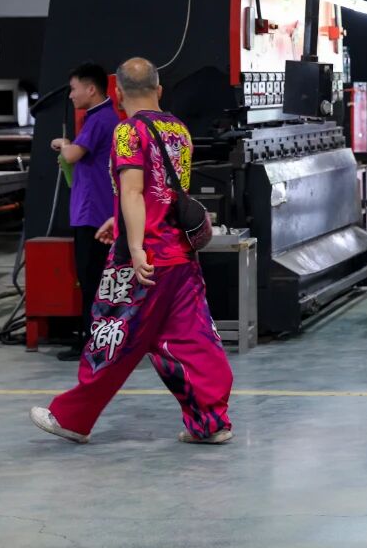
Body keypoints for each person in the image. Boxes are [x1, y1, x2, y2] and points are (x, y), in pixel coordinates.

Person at [30, 57, 234, 445]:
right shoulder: (178, 130)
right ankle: (211, 421)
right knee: (193, 337)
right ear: (159, 90)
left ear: (118, 93)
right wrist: (120, 220)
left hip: (144, 260)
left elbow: (135, 189)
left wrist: (136, 246)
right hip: (180, 256)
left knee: (111, 335)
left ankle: (72, 418)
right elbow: (167, 192)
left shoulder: (127, 131)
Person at [49, 63, 116, 361]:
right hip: (96, 210)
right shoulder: (102, 117)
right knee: (95, 279)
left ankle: (91, 342)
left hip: (93, 214)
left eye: (74, 89)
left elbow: (74, 153)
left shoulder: (99, 119)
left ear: (91, 89)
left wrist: (64, 143)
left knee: (91, 280)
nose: (71, 95)